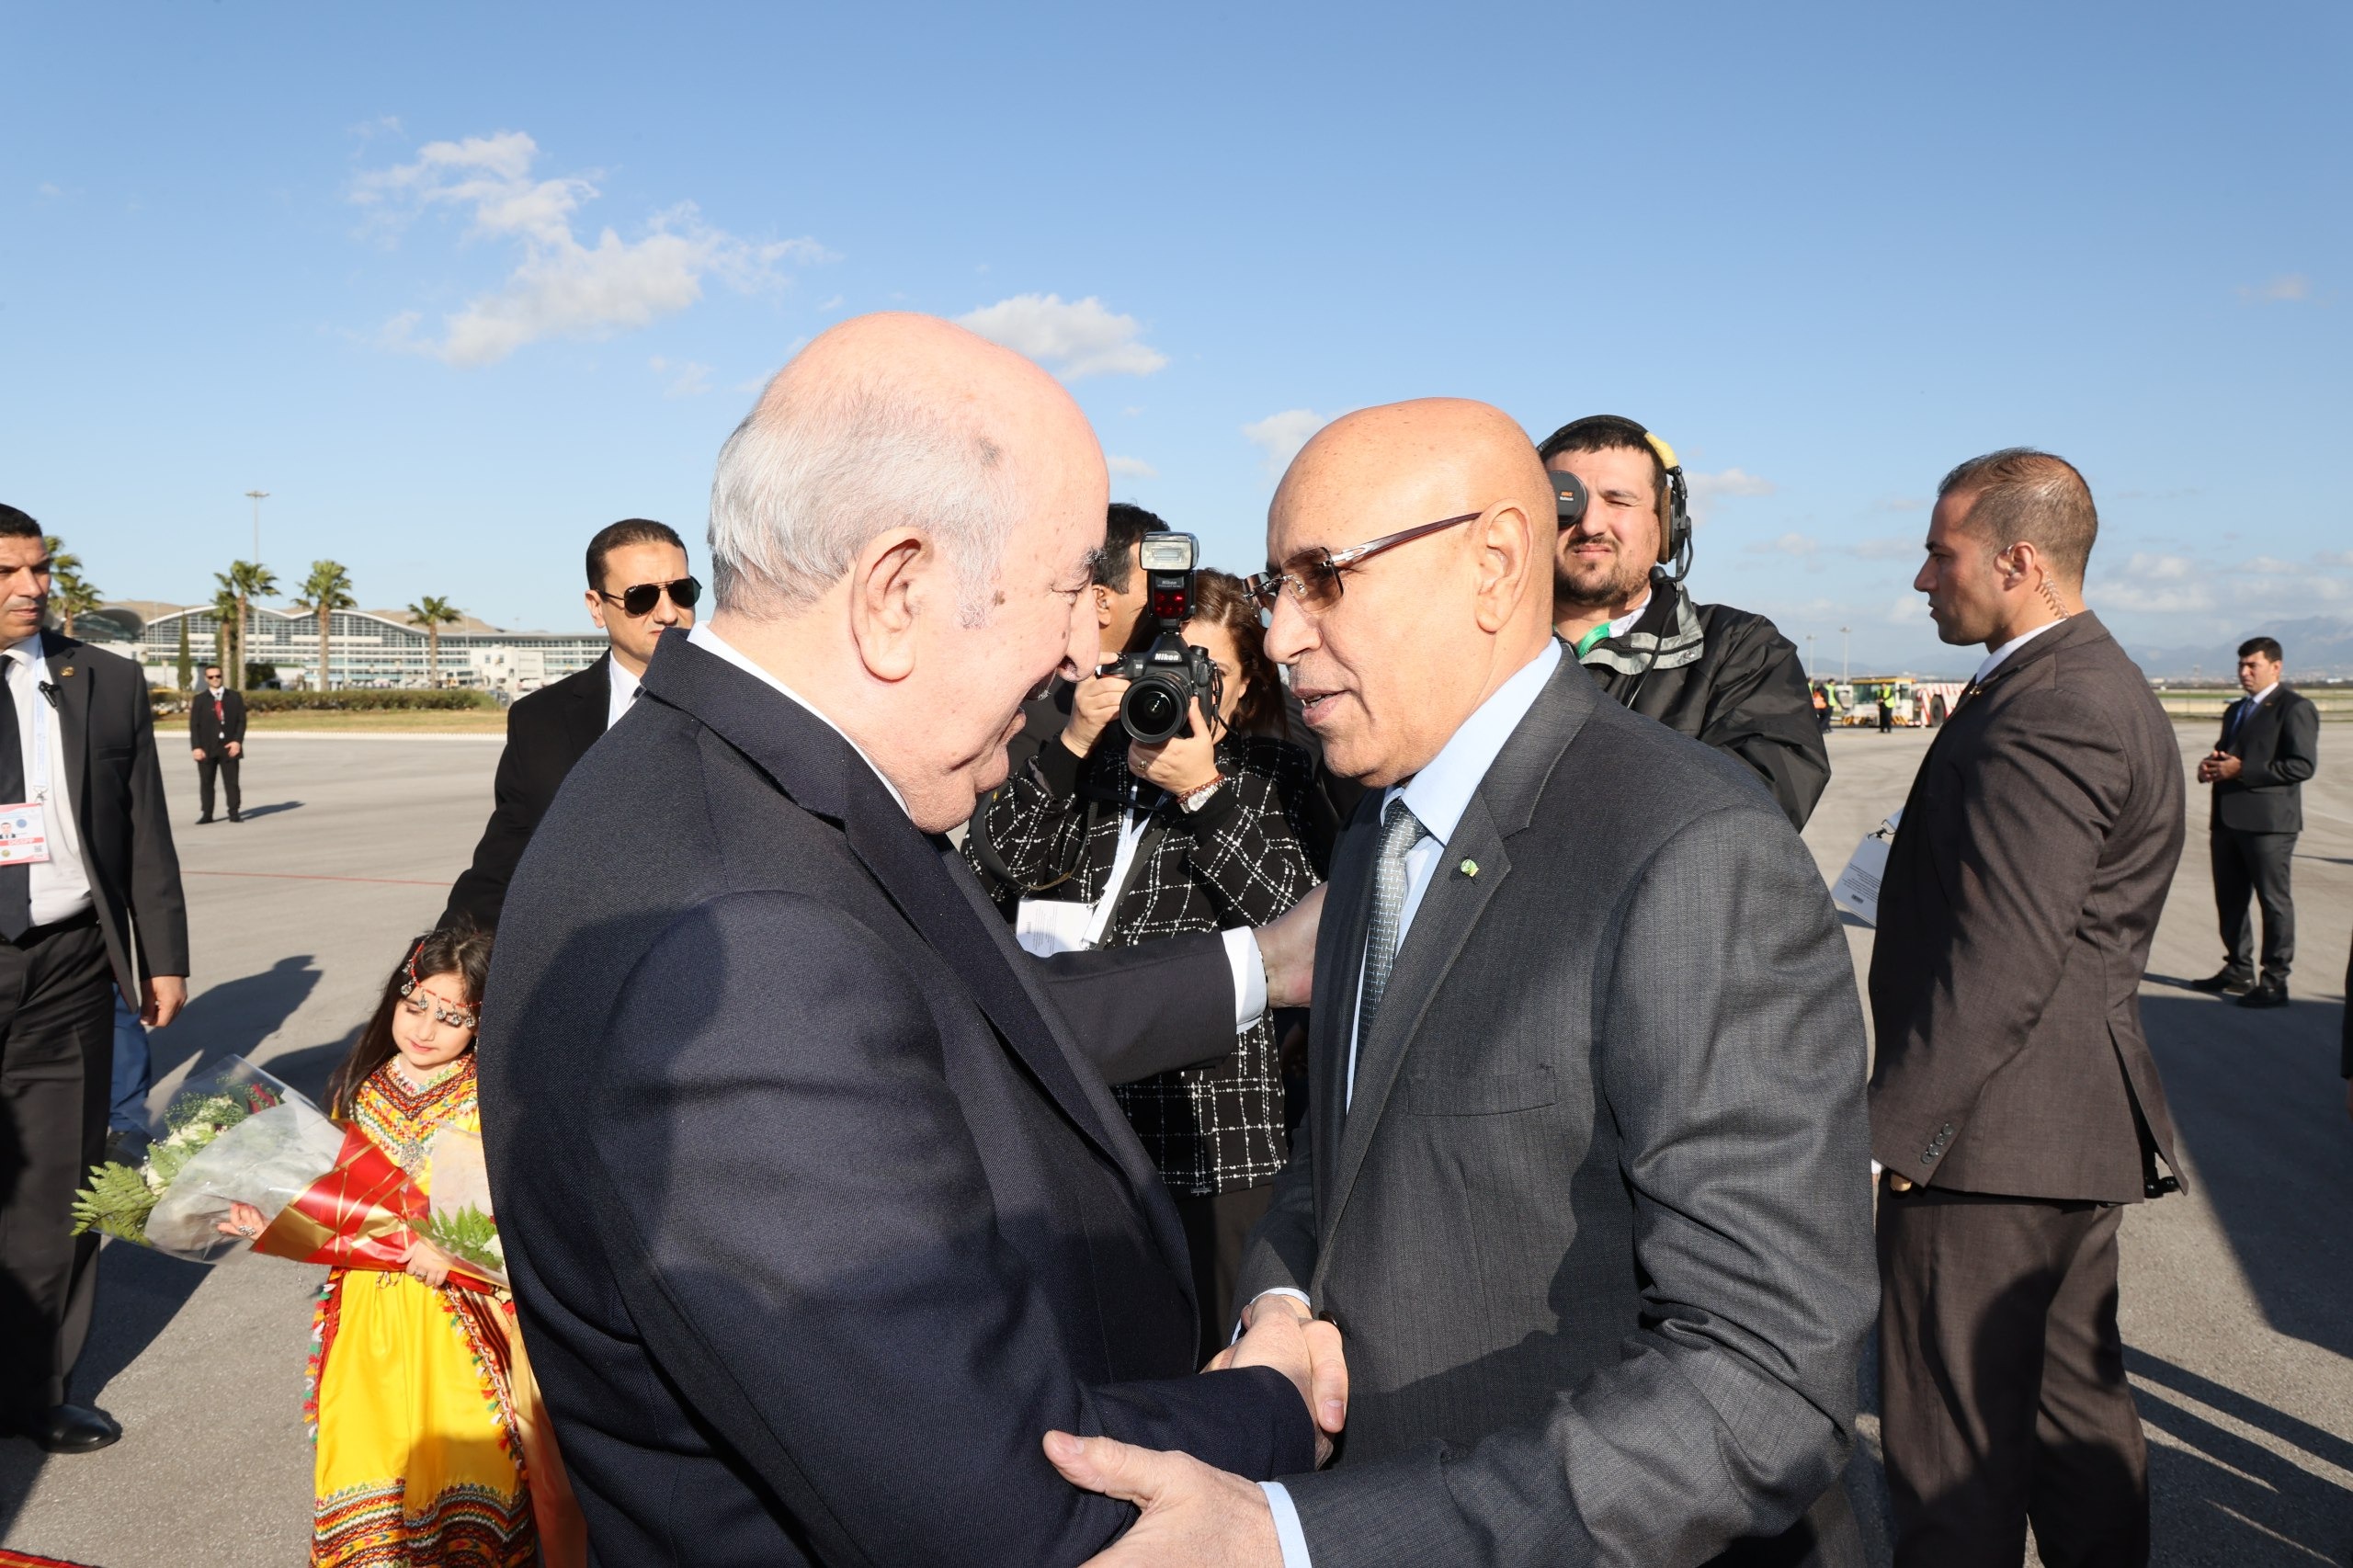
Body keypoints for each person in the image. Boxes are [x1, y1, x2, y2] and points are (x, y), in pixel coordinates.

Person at [477, 313, 1341, 1565]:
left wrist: (1270, 957)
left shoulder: (727, 790)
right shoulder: (750, 935)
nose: (1084, 650)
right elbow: (995, 1506)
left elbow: (971, 1009)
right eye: (1068, 591)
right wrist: (1273, 1399)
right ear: (897, 593)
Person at [1046, 399, 1876, 1566]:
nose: (1279, 636)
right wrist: (1278, 1305)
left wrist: (1303, 1539)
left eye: (1322, 578)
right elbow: (1336, 1154)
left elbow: (1763, 1381)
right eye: (1275, 585)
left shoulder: (1692, 849)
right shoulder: (1376, 828)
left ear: (1492, 564)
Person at [1870, 449, 2183, 1566]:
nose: (1922, 578)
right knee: (2069, 1421)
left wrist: (1906, 1129)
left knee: (1950, 1446)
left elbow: (2003, 956)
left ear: (2016, 560)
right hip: (2053, 1131)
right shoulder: (2083, 681)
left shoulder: (2051, 705)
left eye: (1939, 553)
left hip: (1989, 1143)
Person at [968, 568, 1328, 1360]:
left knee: (1212, 1355)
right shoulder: (1094, 765)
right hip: (1085, 1120)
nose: (1182, 691)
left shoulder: (1274, 775)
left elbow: (1297, 918)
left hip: (1214, 1133)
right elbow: (1000, 865)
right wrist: (1072, 743)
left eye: (1208, 672)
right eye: (1162, 667)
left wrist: (1205, 793)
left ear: (1246, 687)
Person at [230, 926, 576, 1566]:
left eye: (452, 1017)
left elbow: (527, 1215)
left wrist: (453, 1250)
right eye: (416, 1005)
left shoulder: (490, 1099)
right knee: (369, 1461)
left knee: (467, 1463)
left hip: (460, 1325)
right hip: (367, 1319)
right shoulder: (360, 1088)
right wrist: (272, 1222)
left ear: (481, 1024)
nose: (425, 1028)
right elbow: (336, 1205)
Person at [0, 504, 188, 1456]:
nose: (32, 587)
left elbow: (144, 824)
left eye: (39, 569)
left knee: (57, 1193)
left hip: (69, 961)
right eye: (8, 571)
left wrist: (162, 952)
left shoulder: (102, 679)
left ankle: (35, 1389)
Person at [1540, 414, 1830, 827]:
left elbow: (1751, 819)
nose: (1590, 524)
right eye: (1568, 500)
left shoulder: (1742, 651)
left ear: (1666, 521)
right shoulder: (1478, 646)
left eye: (1618, 500)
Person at [440, 518, 698, 931]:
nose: (668, 613)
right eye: (642, 597)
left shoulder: (747, 703)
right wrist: (445, 955)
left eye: (681, 592)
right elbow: (504, 863)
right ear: (596, 607)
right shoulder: (538, 721)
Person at [990, 501, 1163, 797]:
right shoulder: (1030, 704)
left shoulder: (1166, 700)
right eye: (1155, 587)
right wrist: (1072, 744)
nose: (1169, 601)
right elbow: (990, 821)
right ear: (1101, 601)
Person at [2188, 636, 2318, 1009]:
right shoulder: (2237, 710)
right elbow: (2229, 755)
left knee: (2273, 903)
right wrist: (2211, 767)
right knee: (2230, 899)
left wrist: (2243, 770)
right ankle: (2238, 968)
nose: (2244, 672)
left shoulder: (2294, 708)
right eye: (2241, 665)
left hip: (2269, 825)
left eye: (2252, 665)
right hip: (2227, 819)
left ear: (2276, 667)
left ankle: (2275, 980)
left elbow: (2302, 766)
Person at [188, 662, 245, 824]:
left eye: (218, 676)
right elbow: (194, 726)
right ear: (206, 679)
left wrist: (237, 742)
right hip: (207, 748)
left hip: (229, 747)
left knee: (232, 782)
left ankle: (234, 812)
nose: (215, 679)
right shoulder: (200, 700)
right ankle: (207, 814)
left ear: (222, 677)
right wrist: (196, 747)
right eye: (211, 677)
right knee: (206, 782)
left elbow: (241, 721)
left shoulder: (234, 697)